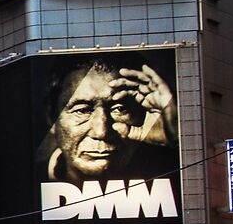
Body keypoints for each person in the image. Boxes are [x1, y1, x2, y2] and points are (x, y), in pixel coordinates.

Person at [40, 59, 178, 198]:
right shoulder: (31, 186)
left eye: (120, 109)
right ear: (51, 117)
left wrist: (177, 138)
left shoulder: (173, 174)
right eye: (82, 110)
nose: (101, 132)